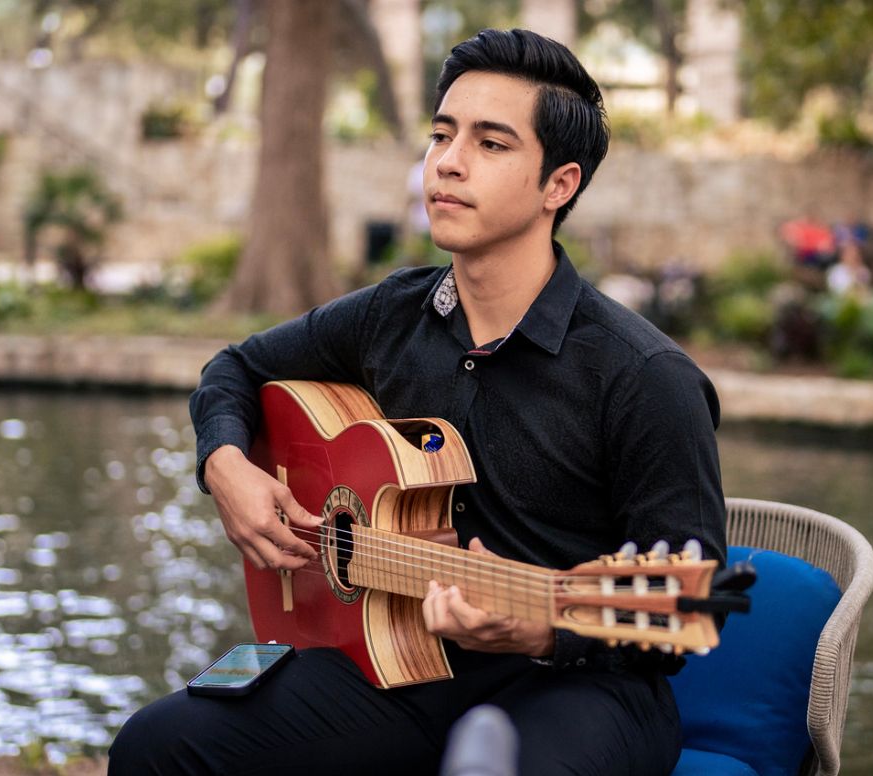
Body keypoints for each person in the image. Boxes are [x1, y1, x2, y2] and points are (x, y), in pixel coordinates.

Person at [108, 28, 725, 776]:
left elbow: (687, 603)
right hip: (395, 661)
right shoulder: (391, 314)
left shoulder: (647, 376)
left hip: (581, 688)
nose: (448, 161)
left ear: (558, 185)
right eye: (441, 134)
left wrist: (542, 631)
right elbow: (234, 368)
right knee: (154, 747)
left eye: (490, 143)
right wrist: (226, 467)